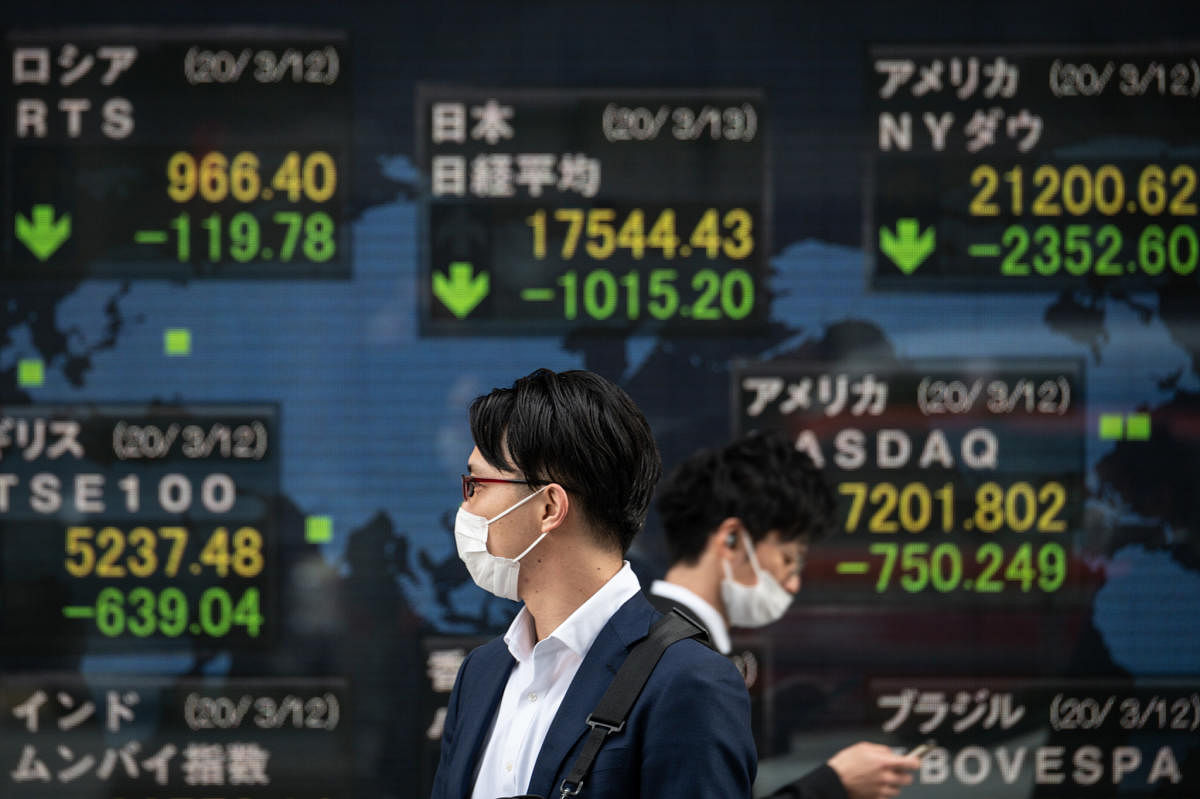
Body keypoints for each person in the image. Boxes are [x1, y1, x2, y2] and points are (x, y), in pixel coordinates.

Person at [431, 368, 756, 799]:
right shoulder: (482, 673)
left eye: (476, 486)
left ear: (548, 506)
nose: (465, 508)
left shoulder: (688, 683)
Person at [649, 430, 920, 799]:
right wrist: (834, 785)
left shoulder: (642, 633)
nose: (793, 584)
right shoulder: (693, 668)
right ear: (731, 540)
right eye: (789, 559)